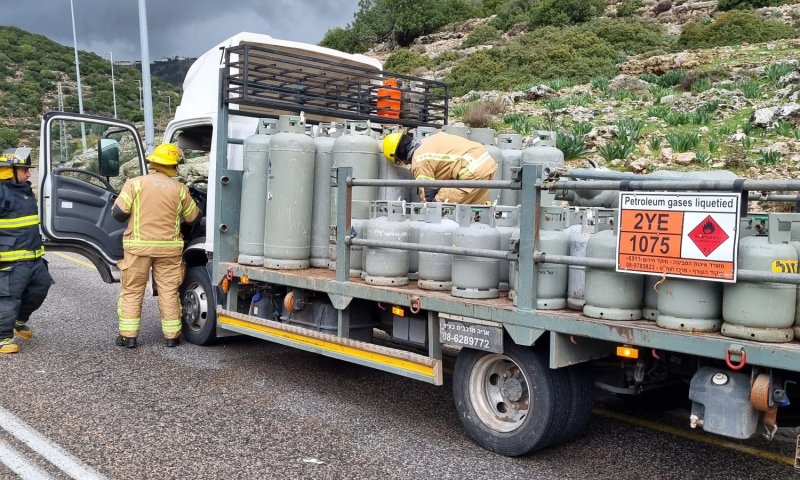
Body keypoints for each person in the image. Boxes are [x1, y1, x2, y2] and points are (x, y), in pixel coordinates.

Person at [111, 143, 200, 348]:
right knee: (169, 291)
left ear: (153, 162)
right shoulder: (180, 189)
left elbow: (118, 214)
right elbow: (193, 217)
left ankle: (129, 336)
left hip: (138, 249)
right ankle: (172, 337)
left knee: (133, 290)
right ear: (173, 166)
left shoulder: (135, 184)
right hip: (169, 250)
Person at [0, 149, 54, 355]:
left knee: (41, 287)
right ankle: (3, 337)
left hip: (33, 257)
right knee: (8, 297)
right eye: (24, 170)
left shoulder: (24, 190)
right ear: (9, 170)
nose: (29, 174)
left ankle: (17, 321)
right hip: (11, 260)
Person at [382, 131, 498, 204]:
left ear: (400, 154)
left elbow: (427, 194)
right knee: (473, 209)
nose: (406, 164)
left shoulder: (419, 158)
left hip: (471, 172)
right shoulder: (429, 141)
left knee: (440, 206)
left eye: (399, 161)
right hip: (487, 163)